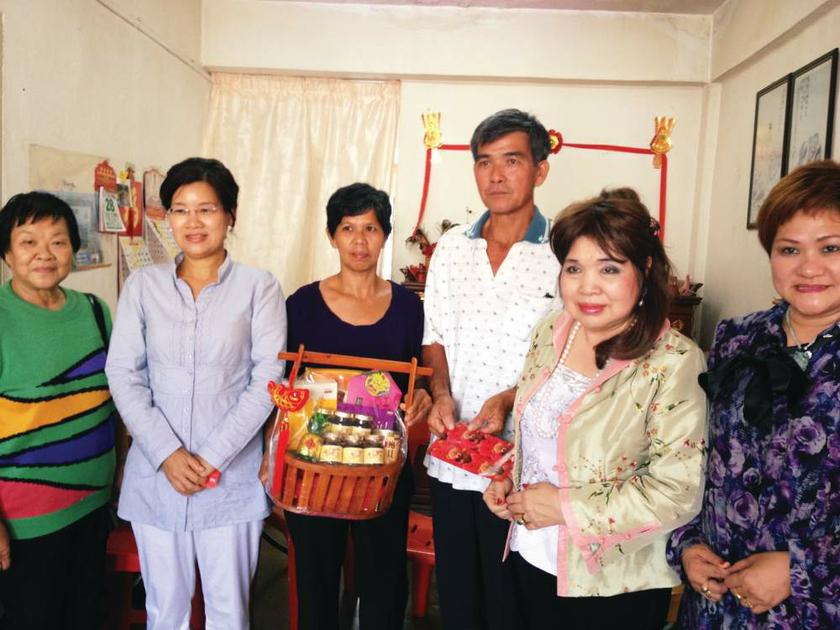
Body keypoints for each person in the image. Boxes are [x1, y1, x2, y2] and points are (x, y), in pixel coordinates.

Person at [483, 188, 707, 630]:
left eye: (609, 268)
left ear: (643, 270)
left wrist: (563, 508)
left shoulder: (673, 361)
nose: (587, 286)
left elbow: (678, 491)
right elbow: (544, 434)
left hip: (612, 584)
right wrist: (509, 478)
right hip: (531, 556)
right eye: (574, 268)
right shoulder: (552, 331)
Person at [105, 158, 286, 629]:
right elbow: (124, 374)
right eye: (180, 210)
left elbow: (268, 379)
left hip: (229, 480)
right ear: (167, 218)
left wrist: (211, 457)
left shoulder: (259, 287)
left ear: (231, 215)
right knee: (165, 610)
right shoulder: (143, 287)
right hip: (156, 479)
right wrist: (167, 454)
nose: (193, 222)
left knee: (229, 611)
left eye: (206, 209)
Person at [667, 160, 840, 628]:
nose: (809, 267)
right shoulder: (737, 338)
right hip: (715, 604)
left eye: (830, 248)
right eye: (789, 249)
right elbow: (693, 453)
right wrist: (688, 543)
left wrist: (798, 569)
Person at [421, 108, 560, 630]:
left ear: (539, 170)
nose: (496, 176)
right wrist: (439, 392)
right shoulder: (452, 248)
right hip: (454, 449)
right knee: (457, 589)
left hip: (524, 459)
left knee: (512, 597)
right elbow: (434, 336)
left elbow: (568, 355)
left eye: (511, 160)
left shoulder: (564, 252)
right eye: (484, 162)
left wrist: (506, 399)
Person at [278, 182, 431, 630]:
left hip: (383, 467)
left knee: (384, 577)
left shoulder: (408, 308)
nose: (359, 240)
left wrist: (424, 393)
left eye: (370, 228)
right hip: (313, 469)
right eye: (348, 228)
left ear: (384, 235)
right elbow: (281, 382)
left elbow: (423, 376)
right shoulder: (301, 305)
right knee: (315, 577)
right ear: (332, 236)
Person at [0, 192, 116, 629]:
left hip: (93, 505)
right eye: (28, 242)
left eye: (58, 241)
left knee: (85, 615)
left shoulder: (94, 311)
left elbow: (113, 402)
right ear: (7, 253)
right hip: (25, 520)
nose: (44, 254)